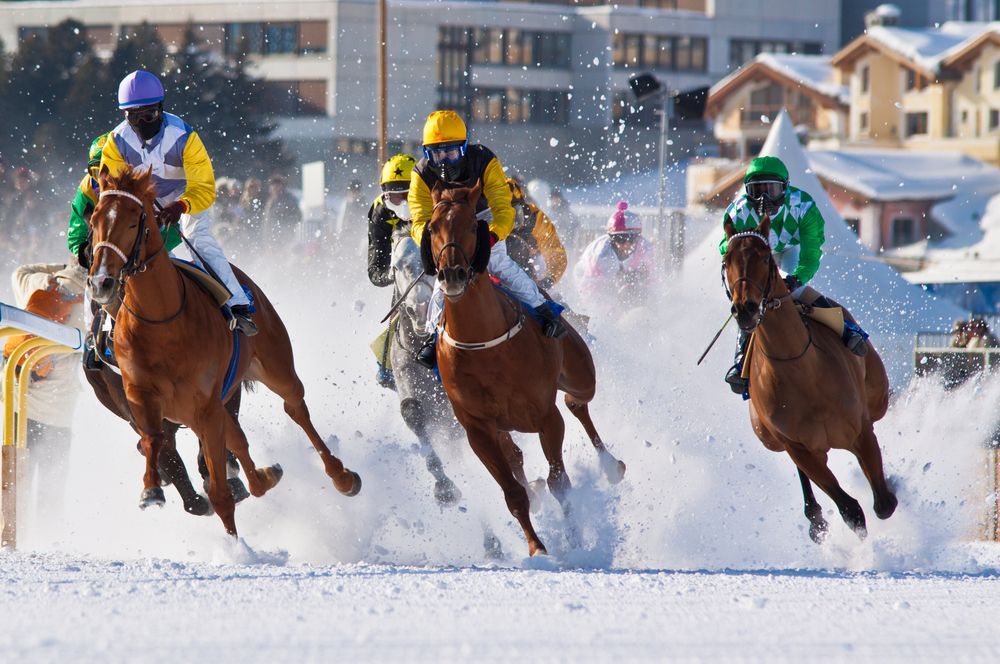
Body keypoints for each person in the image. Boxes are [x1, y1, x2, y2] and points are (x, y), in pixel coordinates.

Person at [97, 70, 257, 335]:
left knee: (197, 238)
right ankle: (109, 323)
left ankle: (238, 305)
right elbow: (113, 191)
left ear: (160, 108)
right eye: (133, 117)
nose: (140, 123)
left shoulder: (184, 136)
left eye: (147, 115)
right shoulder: (115, 141)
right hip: (146, 201)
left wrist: (180, 206)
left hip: (186, 197)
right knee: (129, 248)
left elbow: (203, 186)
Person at [409, 110, 566, 368]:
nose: (445, 162)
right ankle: (432, 335)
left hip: (480, 213)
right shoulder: (421, 173)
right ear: (427, 154)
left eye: (451, 153)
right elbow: (420, 219)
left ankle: (544, 310)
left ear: (465, 147)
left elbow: (503, 208)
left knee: (498, 264)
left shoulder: (483, 159)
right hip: (445, 222)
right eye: (437, 154)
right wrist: (429, 242)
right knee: (442, 279)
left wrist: (492, 236)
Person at [721, 155, 867, 395]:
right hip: (756, 255)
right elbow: (725, 248)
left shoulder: (804, 206)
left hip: (791, 249)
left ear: (785, 188)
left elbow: (811, 252)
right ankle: (740, 361)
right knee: (748, 304)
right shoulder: (737, 213)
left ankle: (847, 328)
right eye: (756, 191)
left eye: (770, 189)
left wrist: (798, 277)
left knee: (793, 287)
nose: (763, 198)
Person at [3, 260, 88, 515]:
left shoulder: (36, 285)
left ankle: (8, 527)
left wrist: (59, 268)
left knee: (15, 480)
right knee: (51, 487)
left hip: (18, 405)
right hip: (58, 414)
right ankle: (46, 533)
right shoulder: (88, 309)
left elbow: (20, 271)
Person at [367, 153, 417, 388]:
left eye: (407, 194)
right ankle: (387, 362)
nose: (401, 201)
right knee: (400, 301)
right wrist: (394, 274)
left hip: (439, 263)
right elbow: (375, 270)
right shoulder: (379, 212)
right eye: (394, 195)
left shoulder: (434, 199)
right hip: (405, 270)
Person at [574, 201, 655, 305]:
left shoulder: (645, 249)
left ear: (638, 237)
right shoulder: (600, 255)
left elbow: (654, 281)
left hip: (621, 278)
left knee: (637, 288)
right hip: (588, 277)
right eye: (620, 239)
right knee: (608, 297)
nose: (626, 244)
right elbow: (590, 290)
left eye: (631, 239)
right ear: (612, 238)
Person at [505, 177, 567, 290]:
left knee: (558, 306)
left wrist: (549, 279)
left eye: (515, 213)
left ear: (522, 206)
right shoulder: (478, 217)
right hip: (489, 276)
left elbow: (555, 252)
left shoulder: (535, 218)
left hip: (529, 275)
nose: (507, 221)